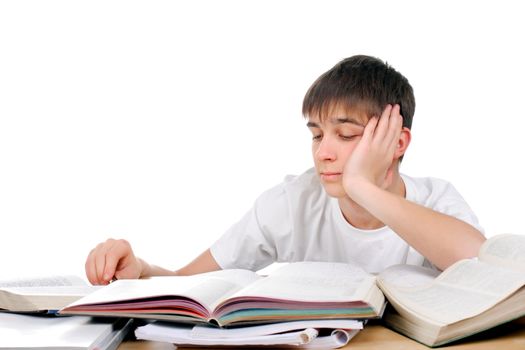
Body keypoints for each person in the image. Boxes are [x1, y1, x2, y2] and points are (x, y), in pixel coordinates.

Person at [85, 55, 486, 285]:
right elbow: (188, 284)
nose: (323, 152)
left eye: (345, 135)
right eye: (316, 135)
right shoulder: (291, 203)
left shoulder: (437, 200)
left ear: (397, 143)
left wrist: (363, 187)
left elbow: (480, 264)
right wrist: (141, 272)